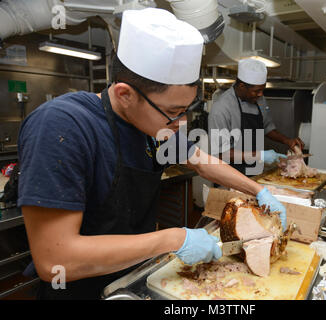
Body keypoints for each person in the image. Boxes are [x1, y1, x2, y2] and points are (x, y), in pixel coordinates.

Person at [18, 8, 287, 300]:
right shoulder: (63, 126)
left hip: (134, 278)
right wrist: (174, 239)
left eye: (185, 111)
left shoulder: (155, 128)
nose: (179, 123)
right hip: (78, 289)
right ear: (125, 95)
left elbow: (202, 161)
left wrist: (259, 191)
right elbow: (53, 260)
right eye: (172, 113)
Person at [208, 58, 304, 175]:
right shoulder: (221, 108)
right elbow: (220, 153)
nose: (261, 94)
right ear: (242, 86)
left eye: (262, 89)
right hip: (230, 174)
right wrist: (261, 155)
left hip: (255, 170)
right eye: (256, 91)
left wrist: (287, 140)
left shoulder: (258, 99)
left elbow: (267, 127)